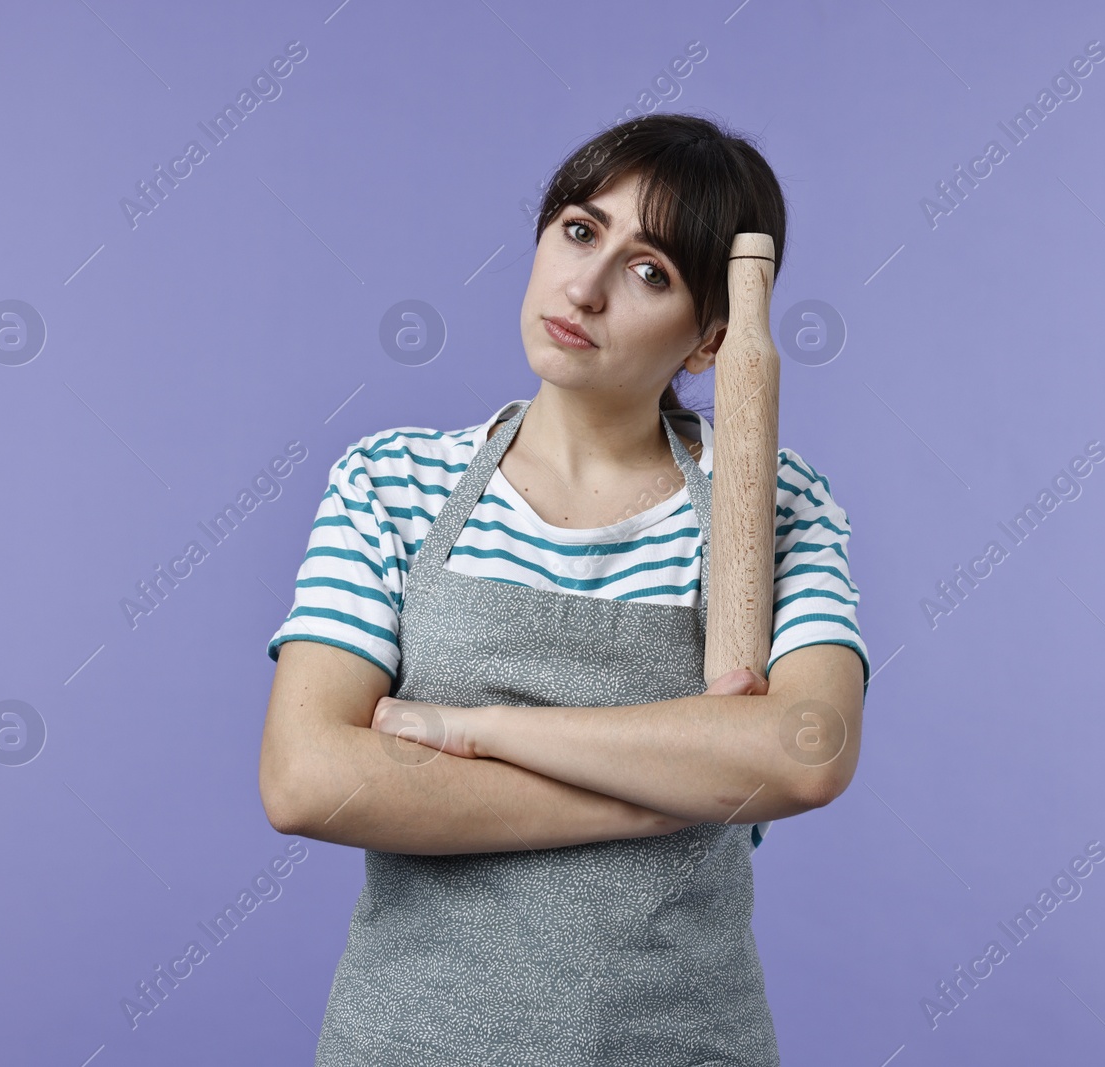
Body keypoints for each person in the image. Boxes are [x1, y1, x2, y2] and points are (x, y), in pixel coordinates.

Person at [258, 112, 870, 1067]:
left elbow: (804, 750)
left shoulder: (774, 504)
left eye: (649, 271)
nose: (584, 287)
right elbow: (307, 782)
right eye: (581, 230)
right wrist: (674, 788)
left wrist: (473, 729)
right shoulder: (391, 483)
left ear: (708, 342)